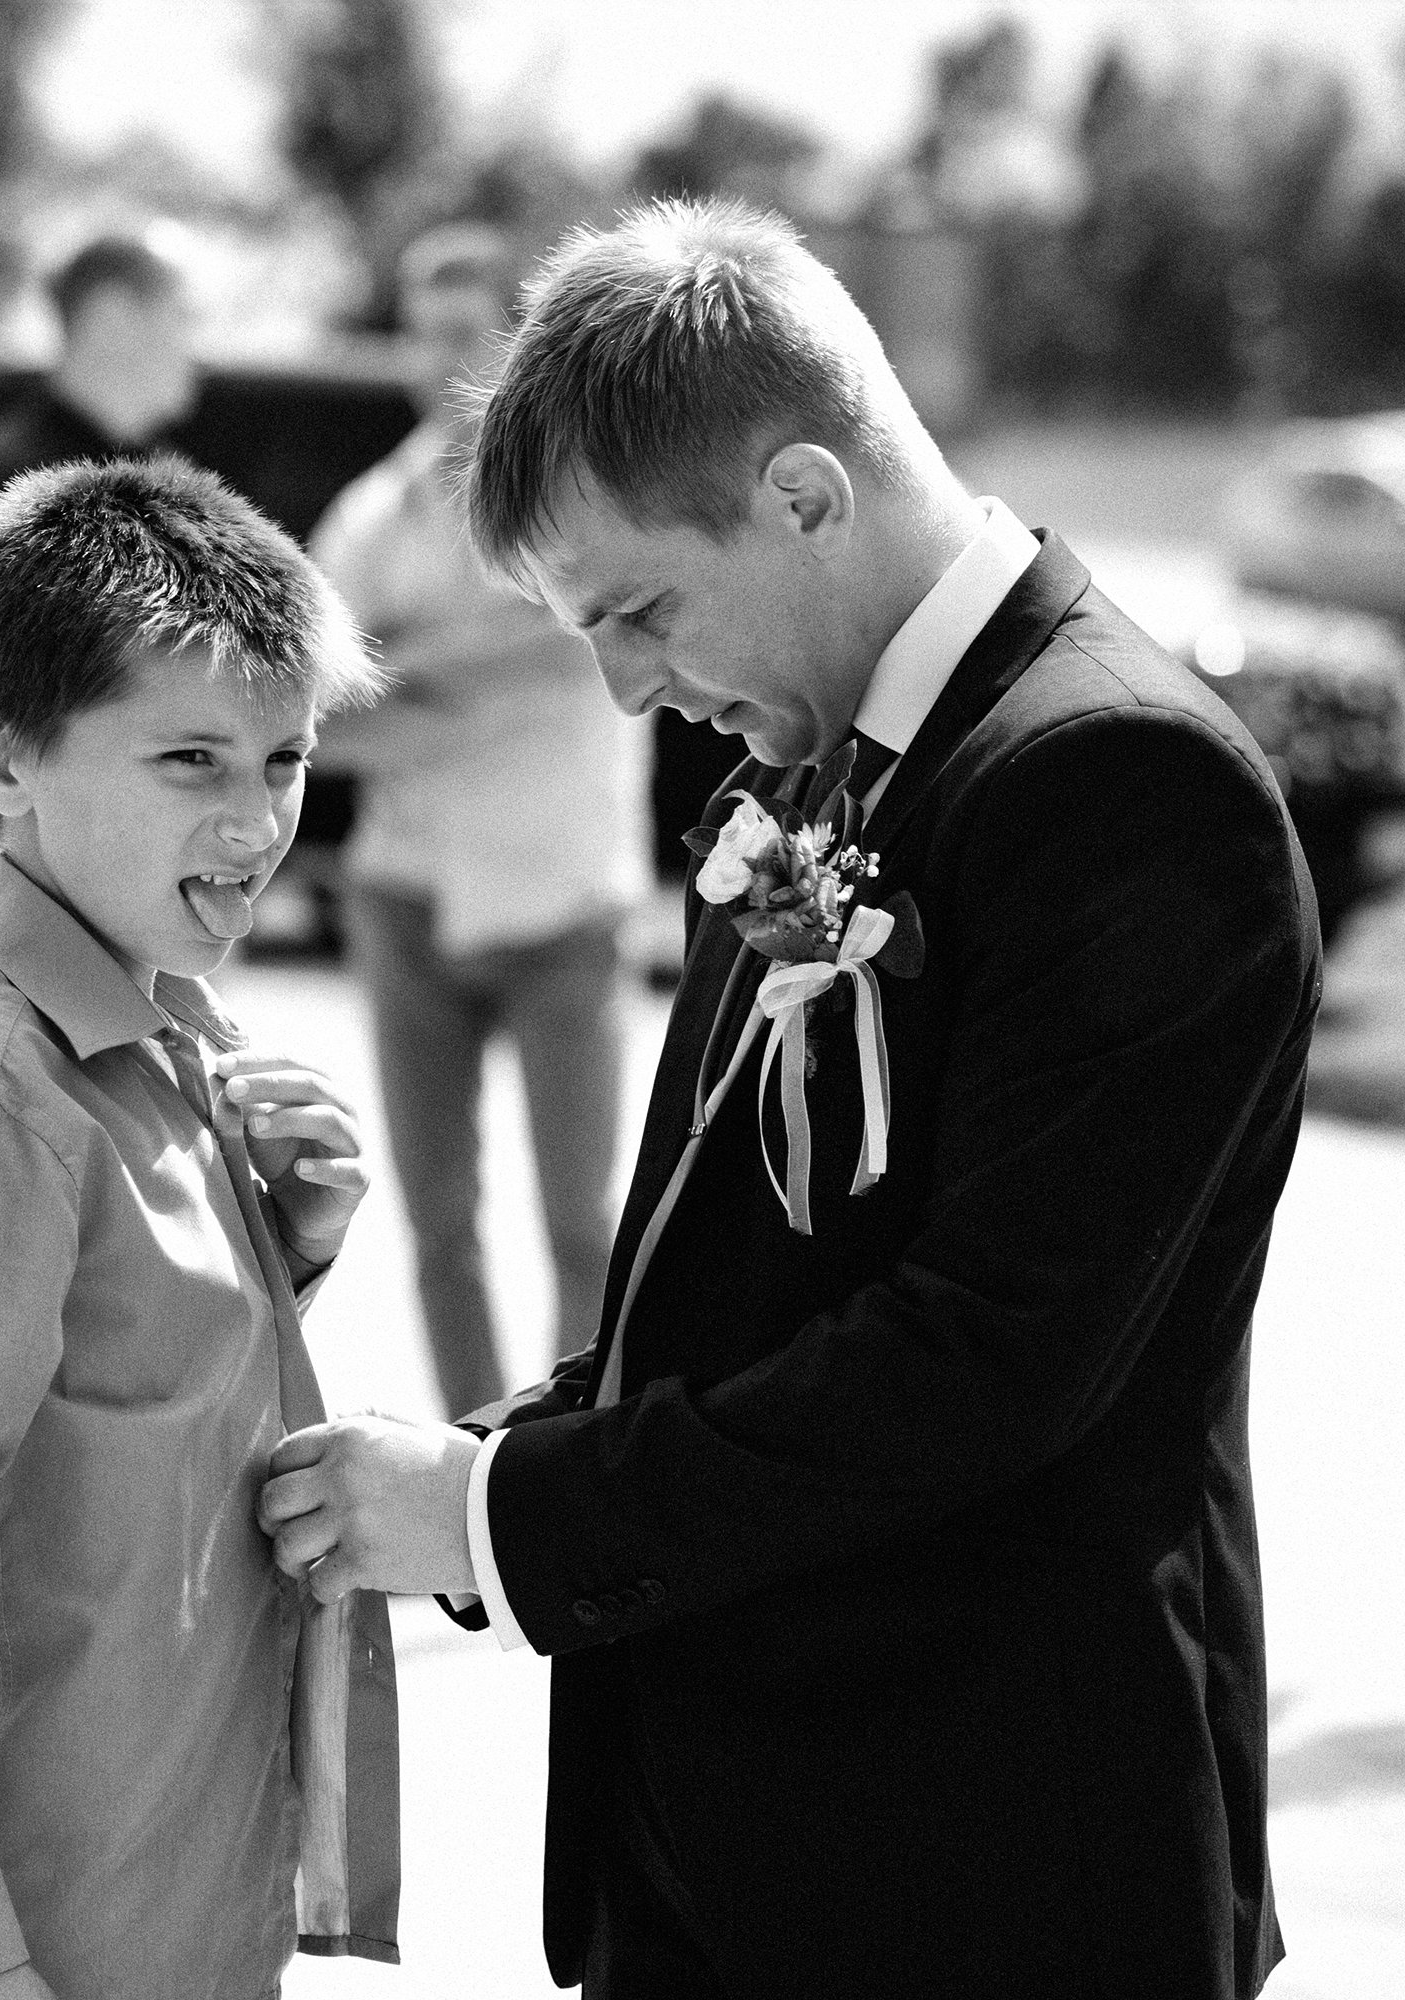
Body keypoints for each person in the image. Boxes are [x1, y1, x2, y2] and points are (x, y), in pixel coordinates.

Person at [259, 198, 1319, 2000]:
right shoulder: (810, 767)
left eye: (638, 611)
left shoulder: (1127, 784)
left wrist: (510, 1517)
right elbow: (734, 1293)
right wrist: (459, 1470)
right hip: (736, 1850)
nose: (622, 689)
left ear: (808, 496)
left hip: (988, 1874)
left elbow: (982, 1363)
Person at [0, 457, 399, 2000]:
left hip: (175, 1904)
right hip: (40, 1944)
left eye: (285, 760)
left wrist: (284, 1247)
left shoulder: (162, 1027)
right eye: (189, 760)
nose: (255, 823)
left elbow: (112, 1400)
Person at [308, 221, 651, 1419]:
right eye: (417, 332)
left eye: (460, 332)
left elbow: (584, 654)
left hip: (564, 908)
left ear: (515, 342)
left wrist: (401, 669)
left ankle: (567, 1461)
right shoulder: (368, 514)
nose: (433, 359)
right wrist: (497, 655)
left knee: (582, 1228)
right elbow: (313, 715)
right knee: (437, 1229)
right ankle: (468, 1465)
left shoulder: (590, 502)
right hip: (403, 900)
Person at [0, 233, 199, 848]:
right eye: (182, 316)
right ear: (113, 318)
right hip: (55, 862)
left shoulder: (176, 484)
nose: (197, 346)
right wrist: (15, 868)